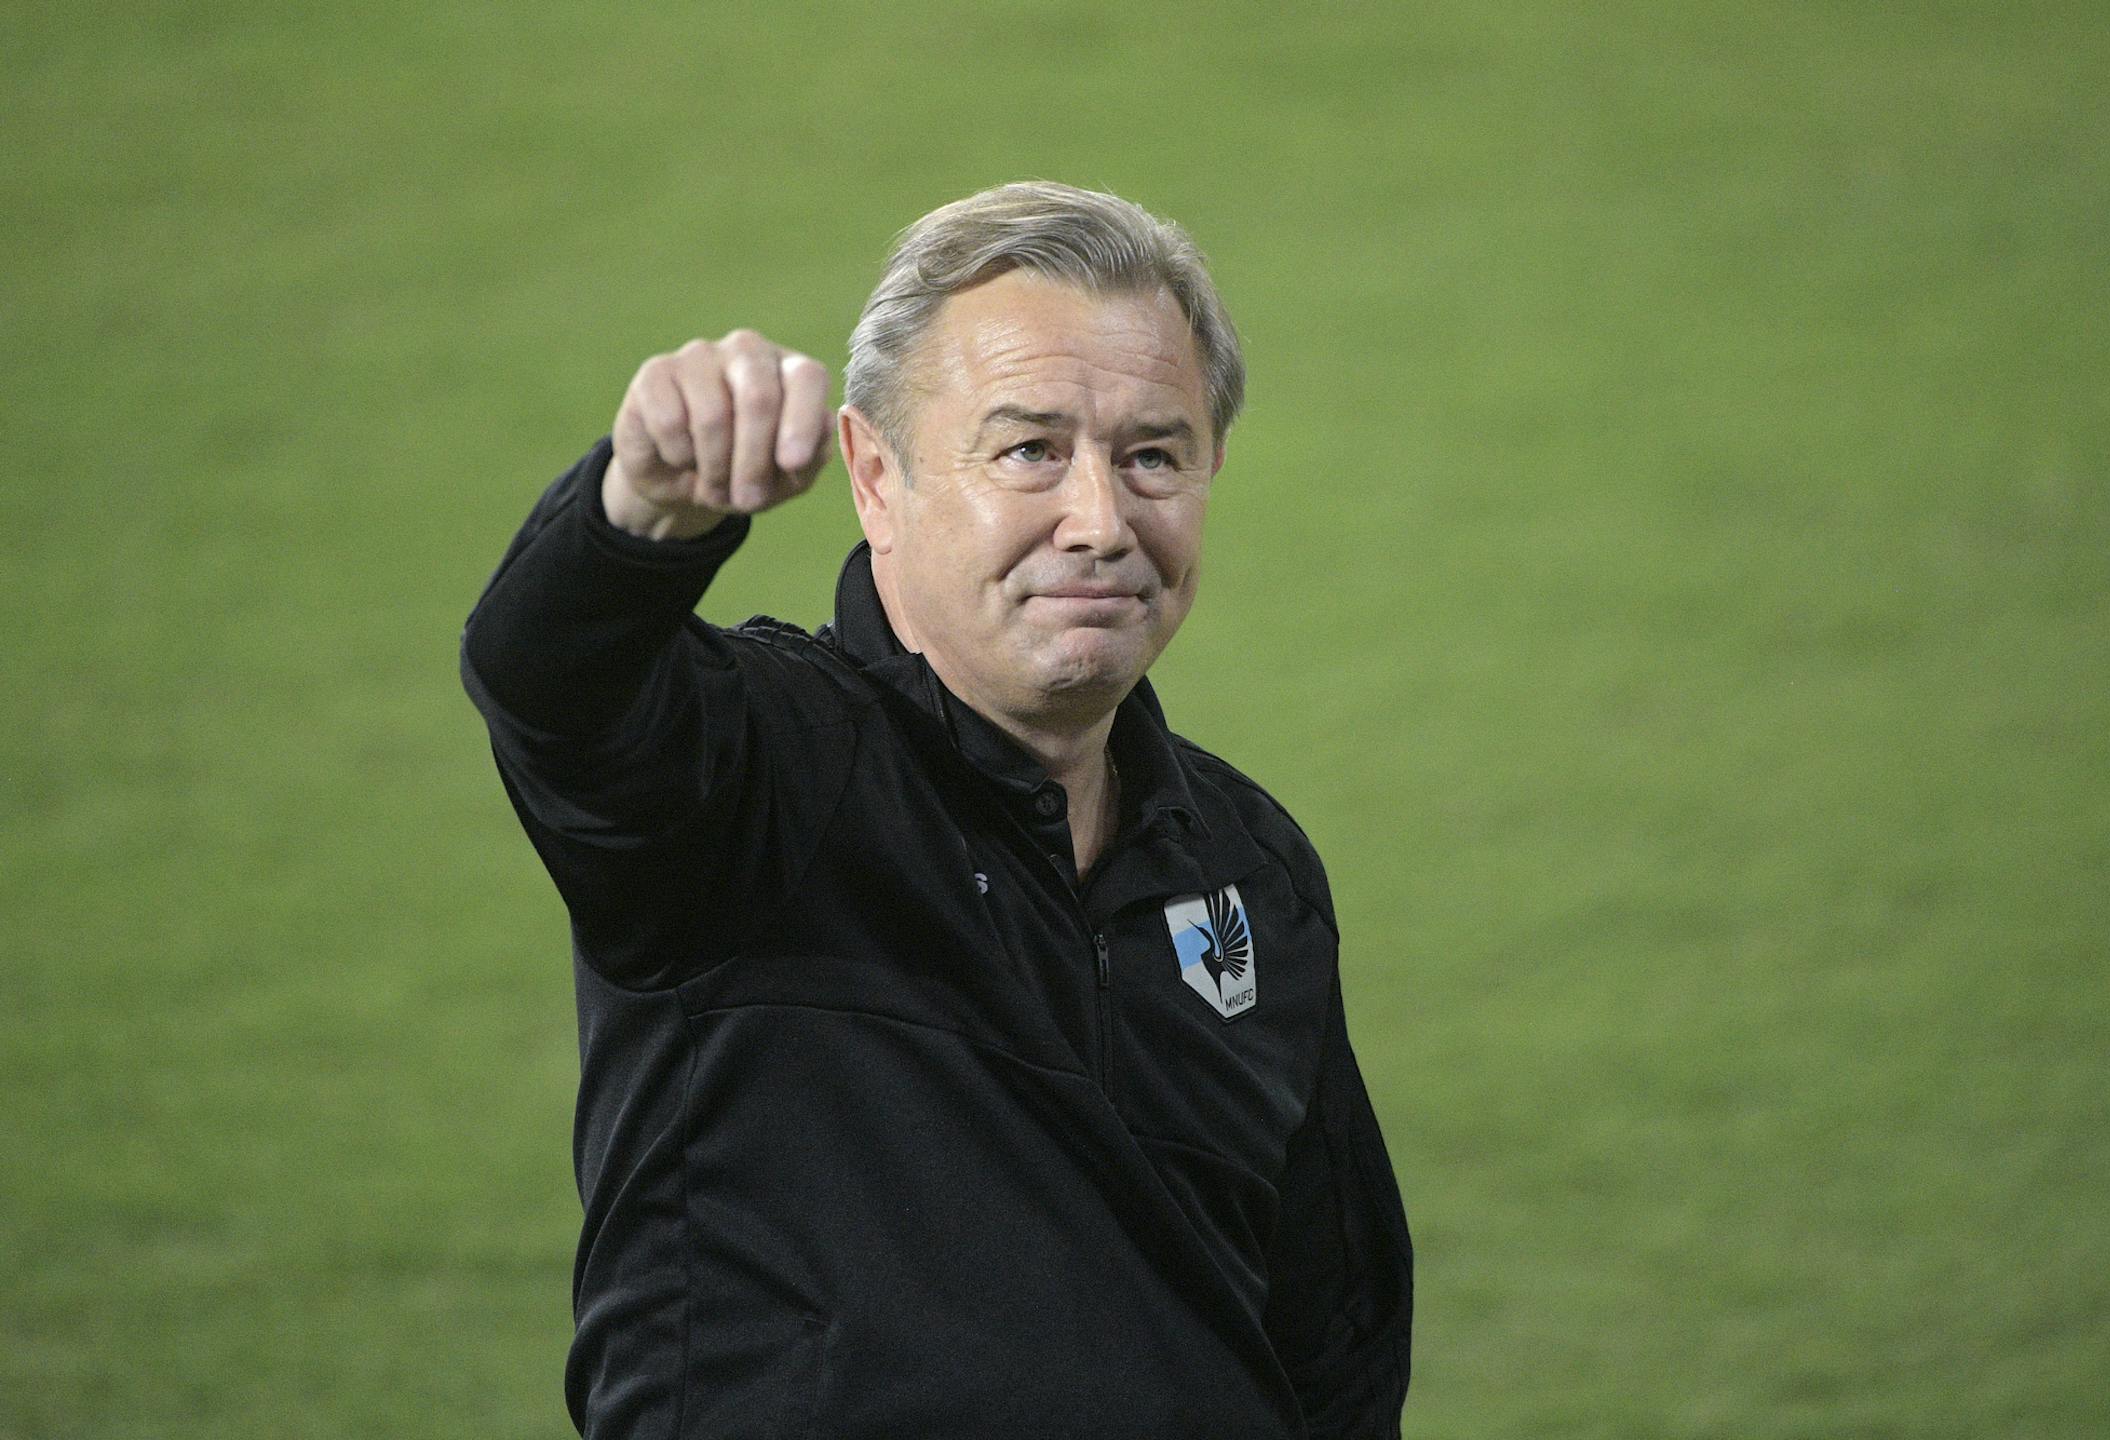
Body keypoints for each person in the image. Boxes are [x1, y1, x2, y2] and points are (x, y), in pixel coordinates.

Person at [461, 181, 1412, 1439]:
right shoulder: (753, 777)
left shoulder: (1250, 874)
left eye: (1153, 456)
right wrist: (637, 516)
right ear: (874, 475)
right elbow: (550, 682)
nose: (1101, 521)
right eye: (1029, 450)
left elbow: (1334, 1356)